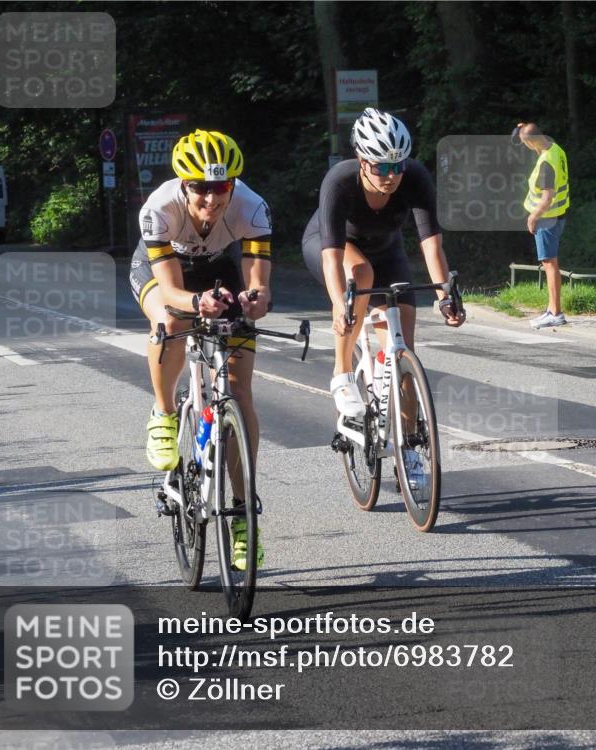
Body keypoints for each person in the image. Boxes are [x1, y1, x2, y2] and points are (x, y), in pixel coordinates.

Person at [129, 129, 271, 570]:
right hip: (167, 273)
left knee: (240, 392)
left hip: (221, 267)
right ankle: (164, 414)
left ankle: (244, 516)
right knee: (171, 323)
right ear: (183, 185)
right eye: (201, 188)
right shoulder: (160, 208)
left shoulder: (252, 208)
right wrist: (197, 304)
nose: (212, 199)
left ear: (233, 185)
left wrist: (252, 298)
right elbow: (171, 289)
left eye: (221, 187)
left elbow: (260, 290)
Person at [302, 108, 464, 479]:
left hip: (387, 252)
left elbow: (431, 246)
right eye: (380, 168)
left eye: (397, 167)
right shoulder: (340, 181)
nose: (390, 177)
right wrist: (340, 303)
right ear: (361, 161)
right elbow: (331, 259)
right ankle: (342, 374)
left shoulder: (415, 177)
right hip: (335, 248)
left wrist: (444, 298)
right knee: (360, 273)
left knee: (402, 353)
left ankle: (409, 448)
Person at [515, 122, 570, 329]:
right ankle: (551, 309)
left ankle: (555, 313)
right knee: (550, 263)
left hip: (547, 218)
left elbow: (547, 197)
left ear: (531, 141)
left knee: (550, 264)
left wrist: (533, 217)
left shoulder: (546, 162)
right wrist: (521, 129)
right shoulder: (555, 148)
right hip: (558, 214)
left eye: (524, 143)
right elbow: (533, 135)